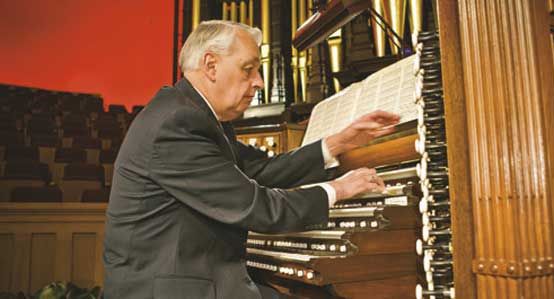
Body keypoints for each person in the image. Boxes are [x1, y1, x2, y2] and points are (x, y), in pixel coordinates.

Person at [103, 20, 400, 299]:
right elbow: (259, 208)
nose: (259, 82)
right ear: (210, 65)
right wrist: (339, 189)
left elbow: (261, 170)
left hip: (191, 278)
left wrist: (339, 142)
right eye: (248, 69)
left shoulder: (199, 115)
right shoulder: (178, 123)